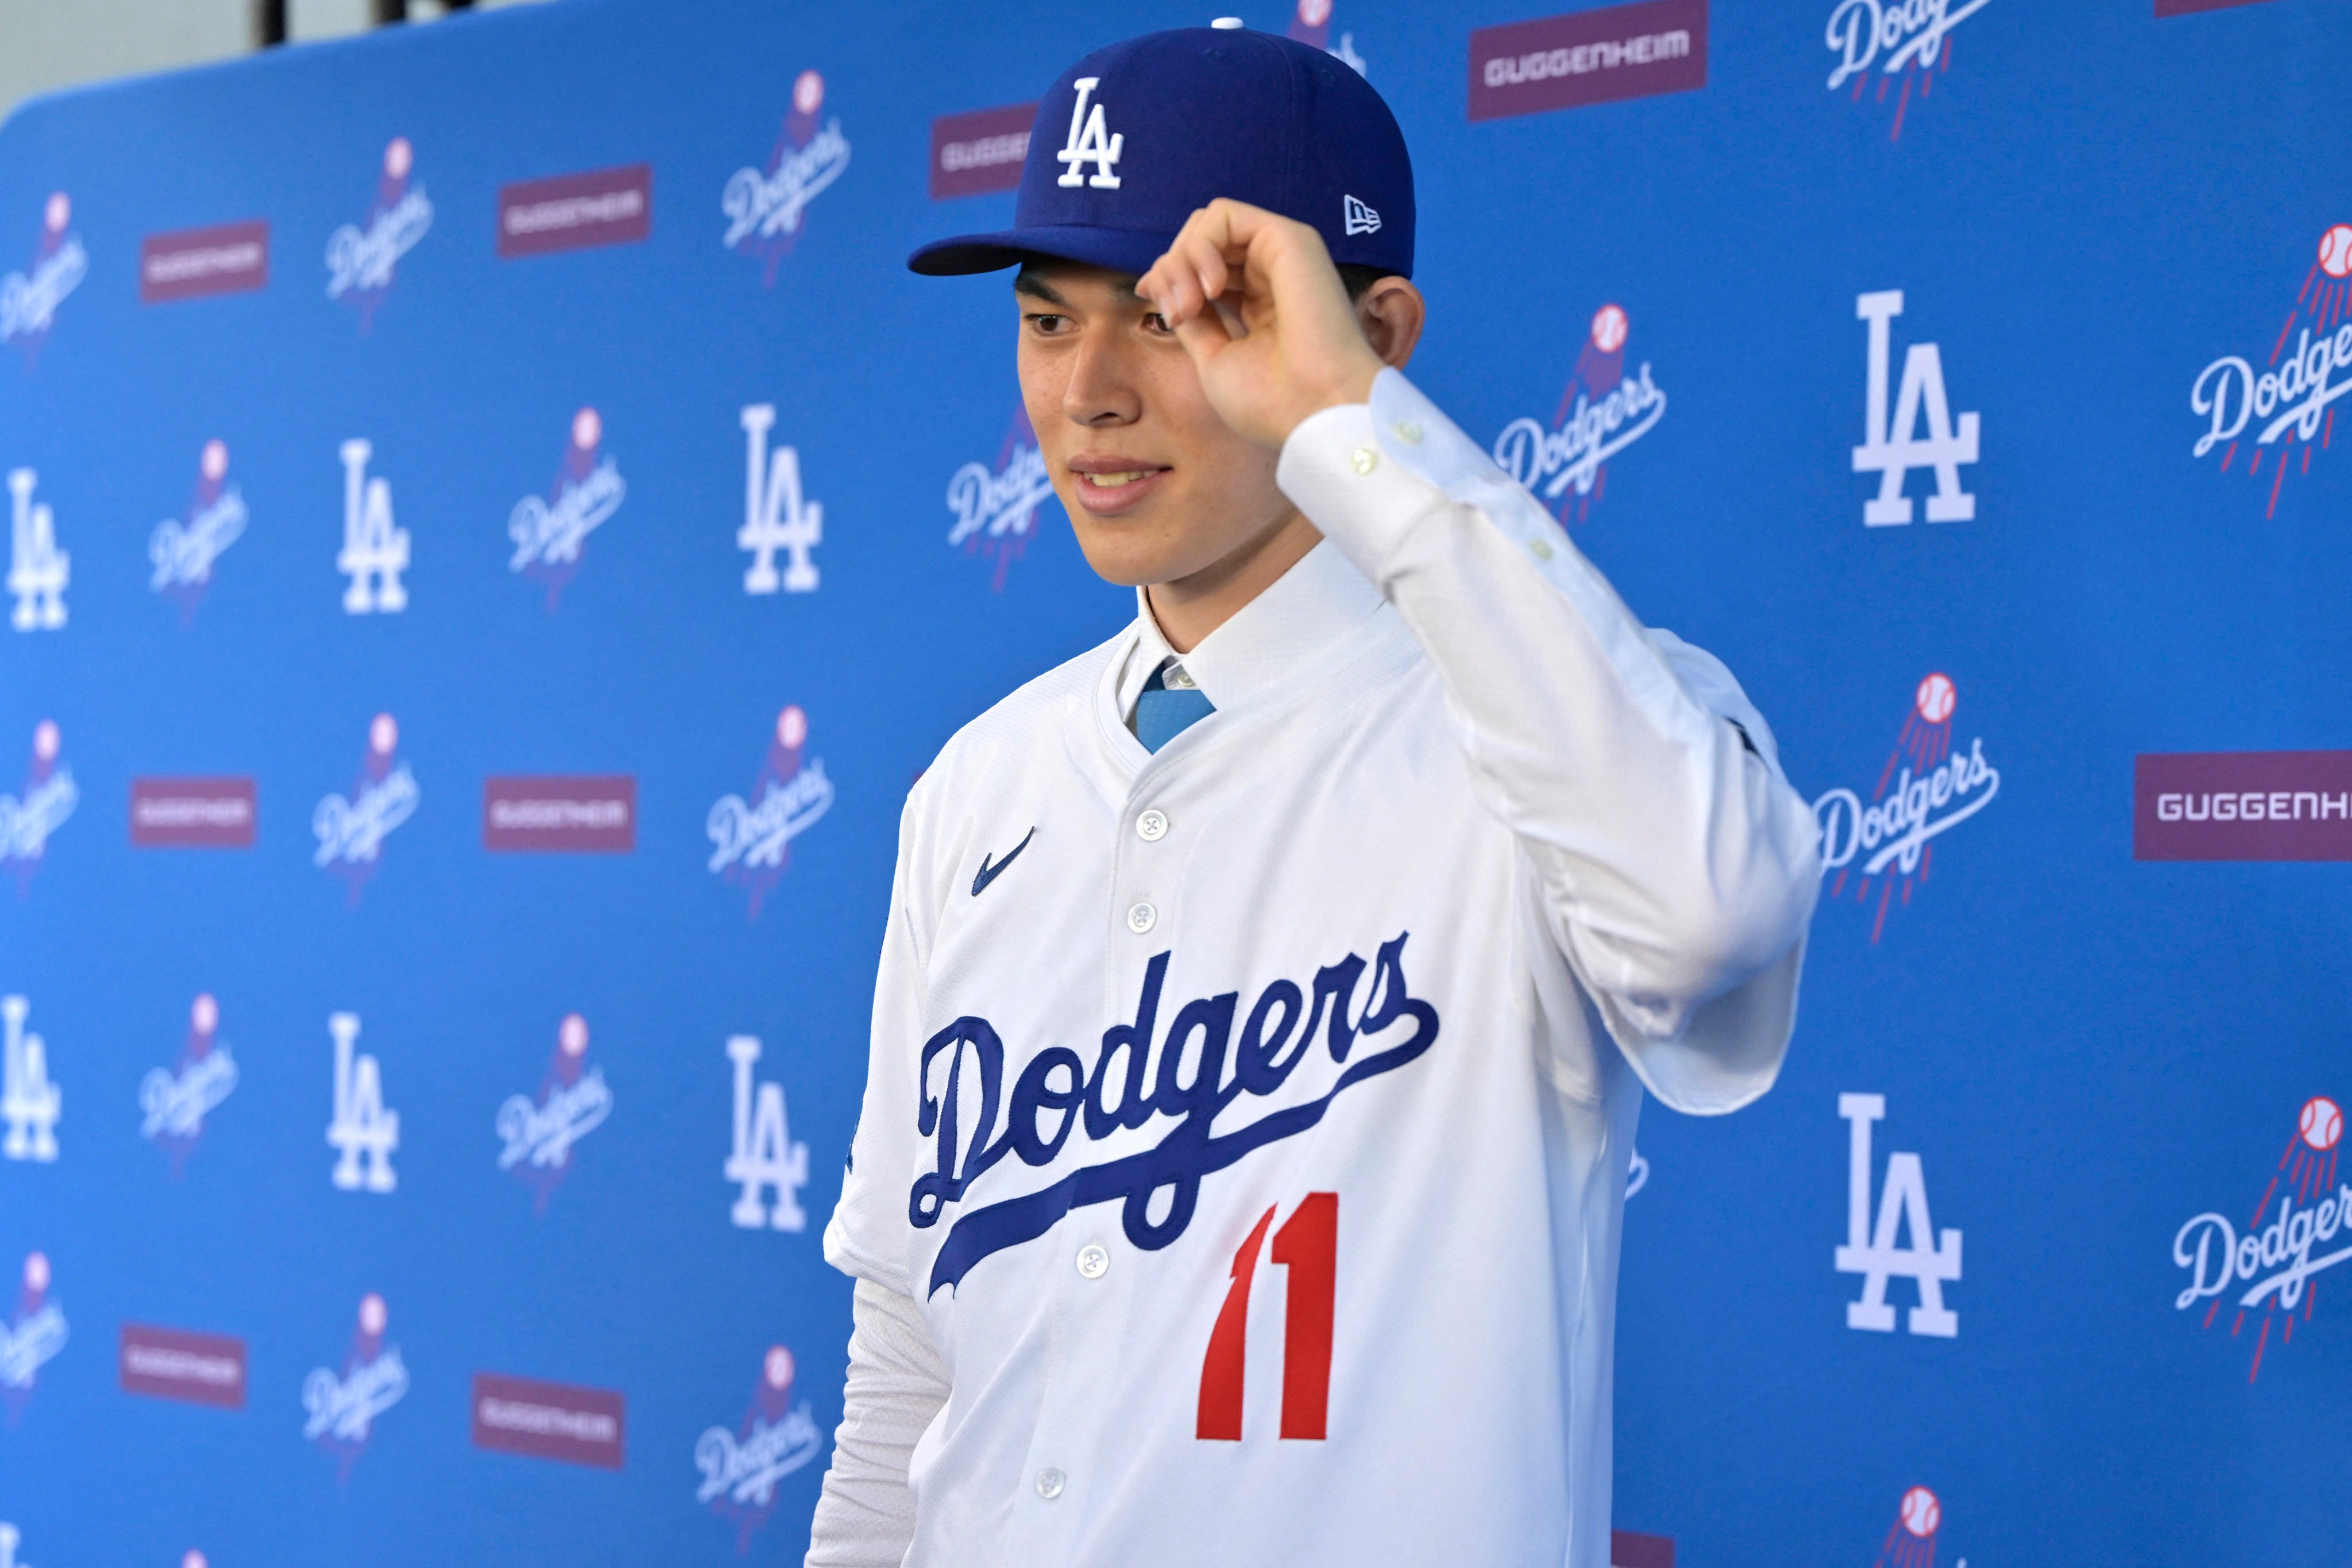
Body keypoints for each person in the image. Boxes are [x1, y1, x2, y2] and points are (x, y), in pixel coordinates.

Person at [809, 22, 1819, 1568]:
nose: (1085, 392)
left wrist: (1354, 431)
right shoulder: (978, 785)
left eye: (1166, 316)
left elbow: (1710, 932)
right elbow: (908, 1359)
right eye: (1043, 319)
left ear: (1370, 333)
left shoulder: (1553, 731)